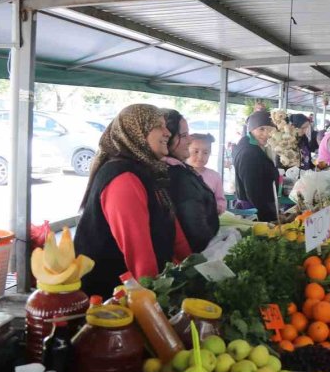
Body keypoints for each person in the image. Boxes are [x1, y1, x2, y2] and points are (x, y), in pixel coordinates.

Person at [76, 104, 192, 297]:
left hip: (133, 290)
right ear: (138, 131)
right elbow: (139, 255)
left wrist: (193, 264)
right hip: (109, 299)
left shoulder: (149, 170)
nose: (167, 133)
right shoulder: (123, 179)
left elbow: (171, 223)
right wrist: (154, 300)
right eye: (159, 126)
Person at [163, 112, 219, 253]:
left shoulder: (175, 169)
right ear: (167, 139)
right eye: (183, 135)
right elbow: (196, 231)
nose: (189, 140)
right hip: (191, 253)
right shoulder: (176, 175)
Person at [233, 110, 280, 222]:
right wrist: (269, 217)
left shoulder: (251, 145)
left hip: (258, 208)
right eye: (261, 129)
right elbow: (253, 192)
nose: (266, 134)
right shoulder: (249, 153)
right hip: (254, 213)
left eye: (270, 130)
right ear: (251, 129)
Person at [186, 133, 226, 215]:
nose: (200, 156)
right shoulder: (180, 173)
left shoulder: (215, 176)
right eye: (196, 151)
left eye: (205, 152)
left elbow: (220, 199)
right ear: (186, 150)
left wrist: (218, 208)